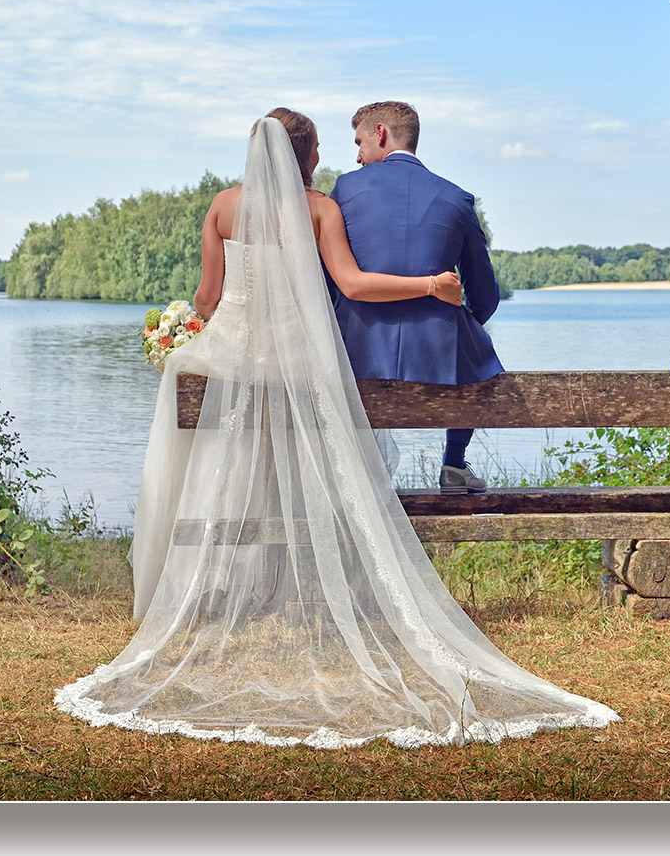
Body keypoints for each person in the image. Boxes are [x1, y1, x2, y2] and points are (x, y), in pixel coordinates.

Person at [55, 109, 618, 748]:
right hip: (299, 355)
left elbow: (209, 299)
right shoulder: (323, 208)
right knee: (317, 465)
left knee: (213, 455)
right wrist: (430, 285)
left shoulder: (223, 207)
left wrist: (185, 328)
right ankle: (306, 589)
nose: (335, 156)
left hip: (232, 354)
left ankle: (209, 588)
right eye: (321, 146)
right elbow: (351, 283)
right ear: (302, 154)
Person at [328, 101, 501, 492]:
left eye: (359, 142)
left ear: (381, 134)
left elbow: (326, 279)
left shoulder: (346, 189)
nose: (357, 156)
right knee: (477, 345)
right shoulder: (456, 198)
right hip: (437, 356)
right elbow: (486, 296)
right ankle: (454, 464)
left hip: (357, 351)